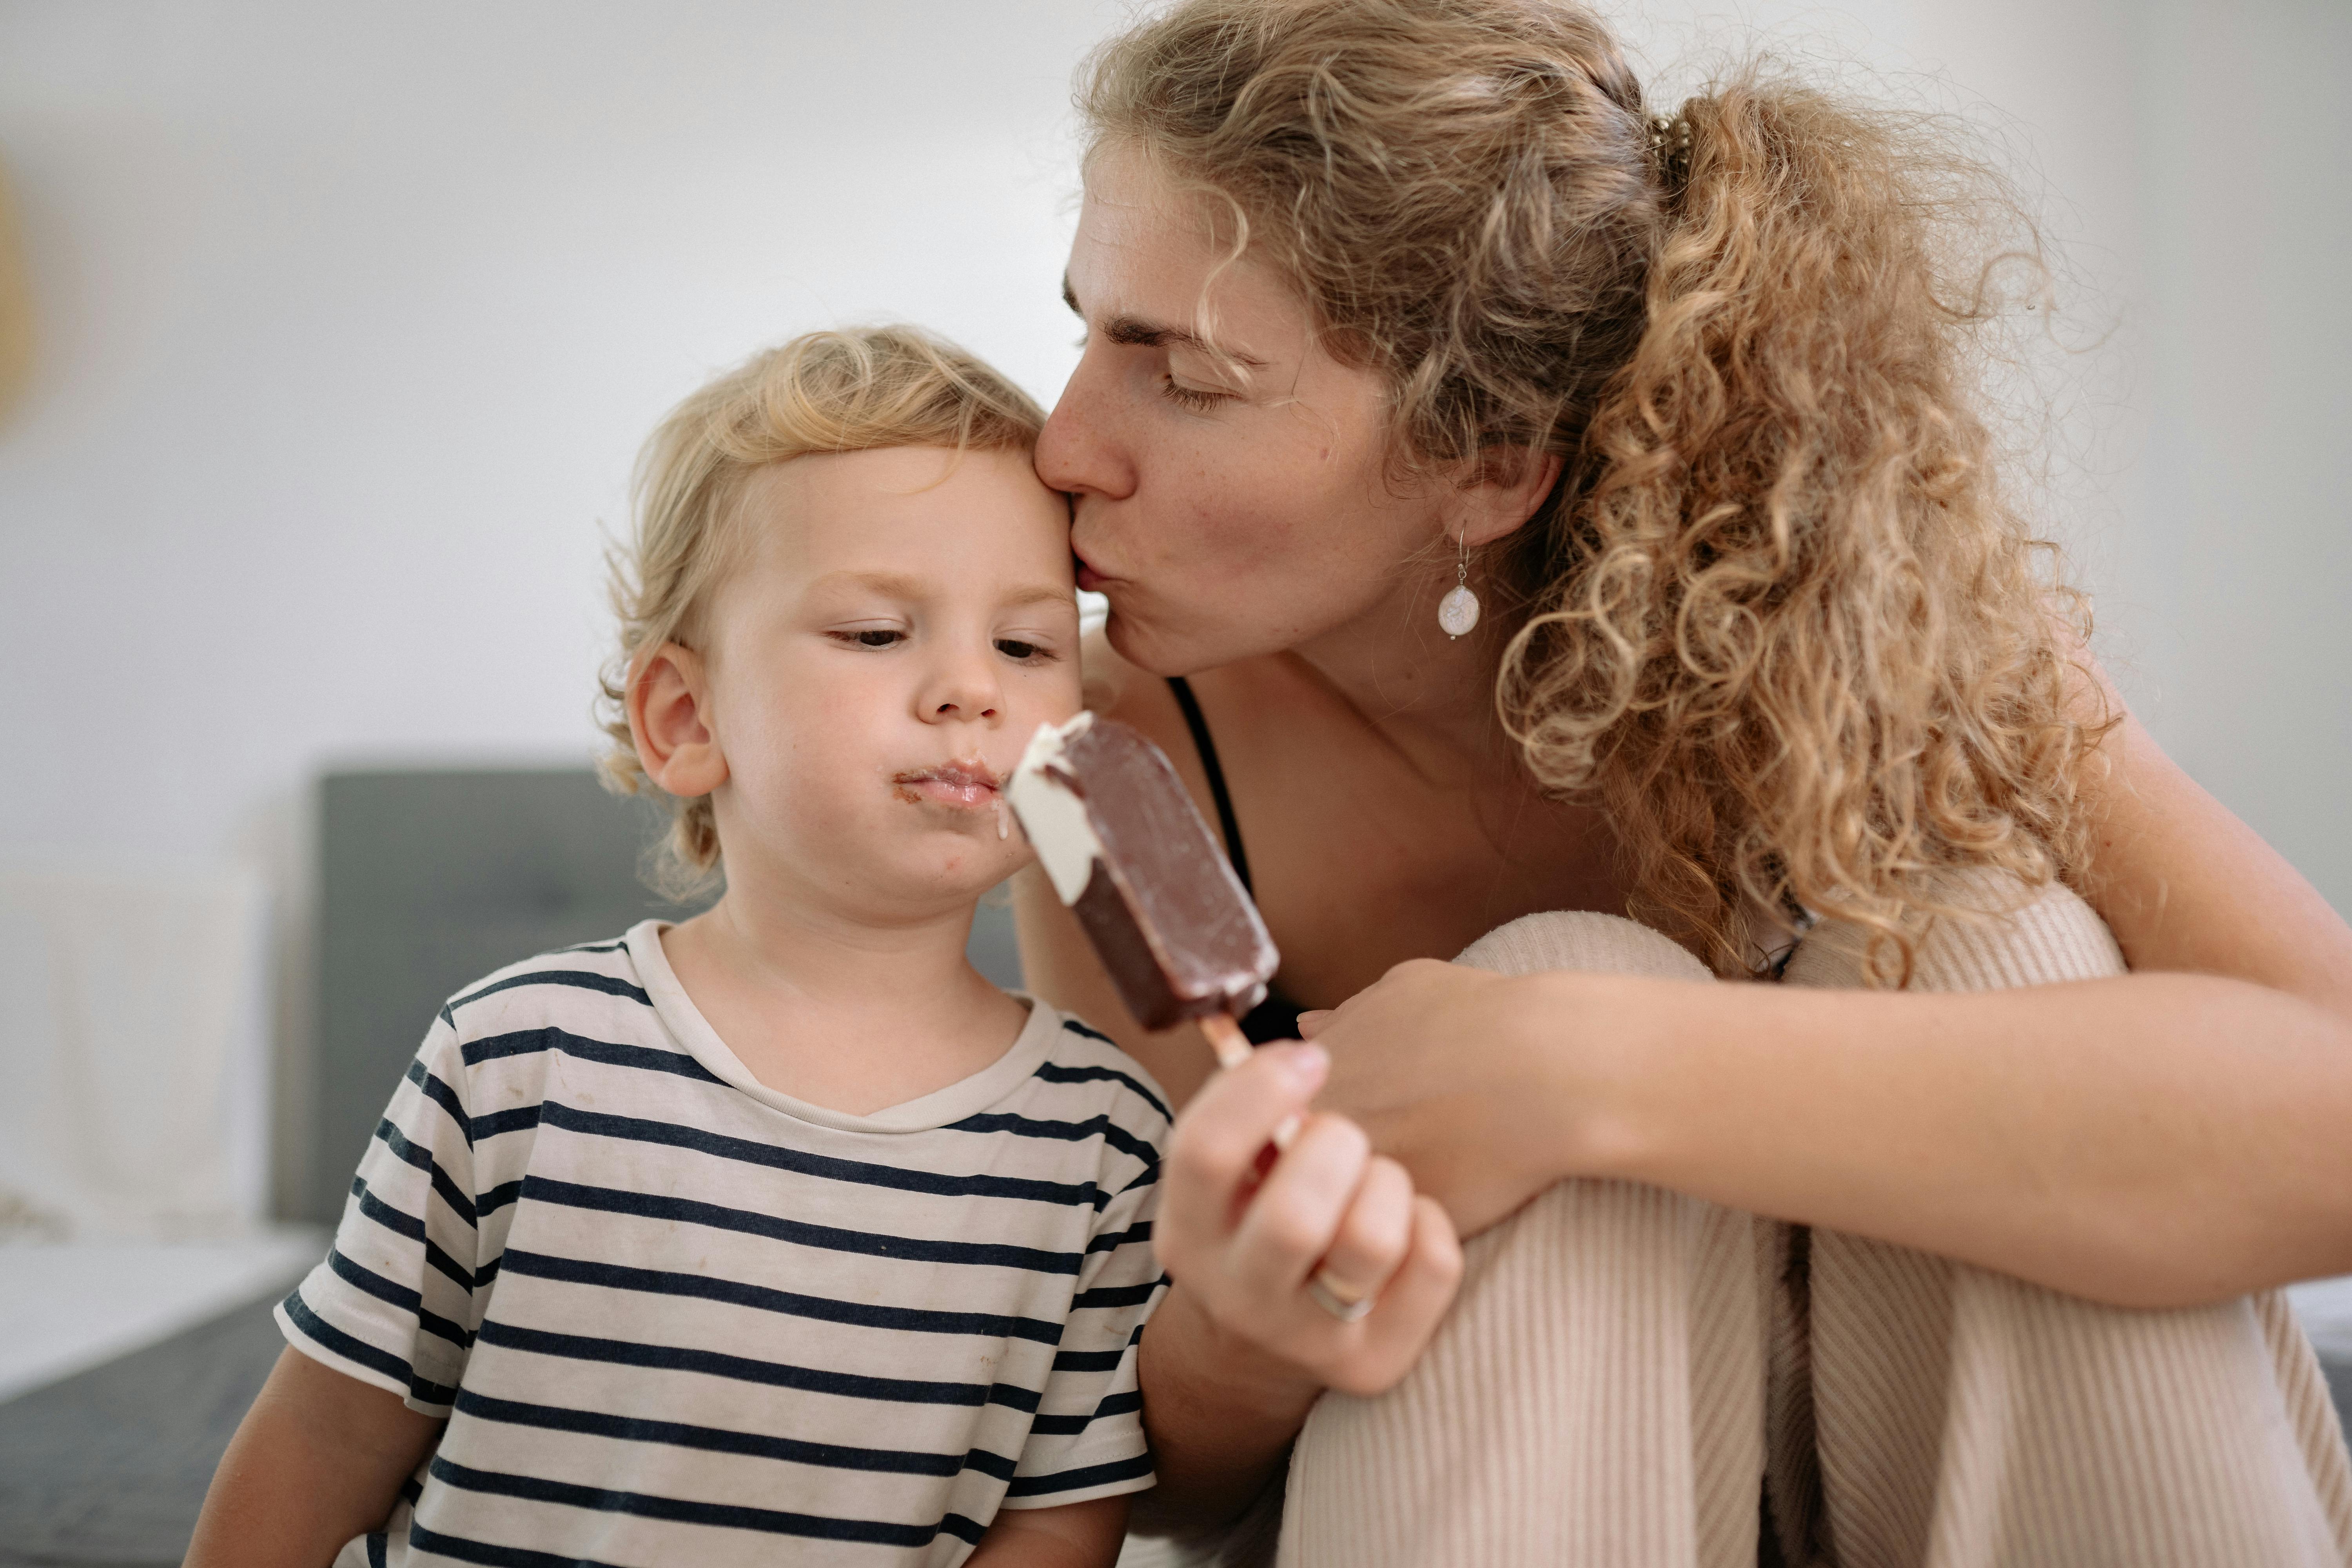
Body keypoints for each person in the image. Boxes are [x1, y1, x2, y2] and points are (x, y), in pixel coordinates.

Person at [1014, 1, 2352, 1563]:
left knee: (1988, 934)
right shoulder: (1112, 768)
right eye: (1089, 329)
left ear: (1491, 461)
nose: (1059, 446)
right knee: (1562, 990)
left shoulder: (1884, 624)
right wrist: (1241, 1333)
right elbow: (1159, 1475)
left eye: (1180, 374)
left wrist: (1570, 1062)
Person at [188, 327, 1169, 1568]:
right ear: (687, 717)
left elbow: (1058, 1532)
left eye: (1027, 646)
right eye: (878, 632)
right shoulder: (515, 1060)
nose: (971, 688)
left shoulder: (1106, 1143)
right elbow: (322, 1442)